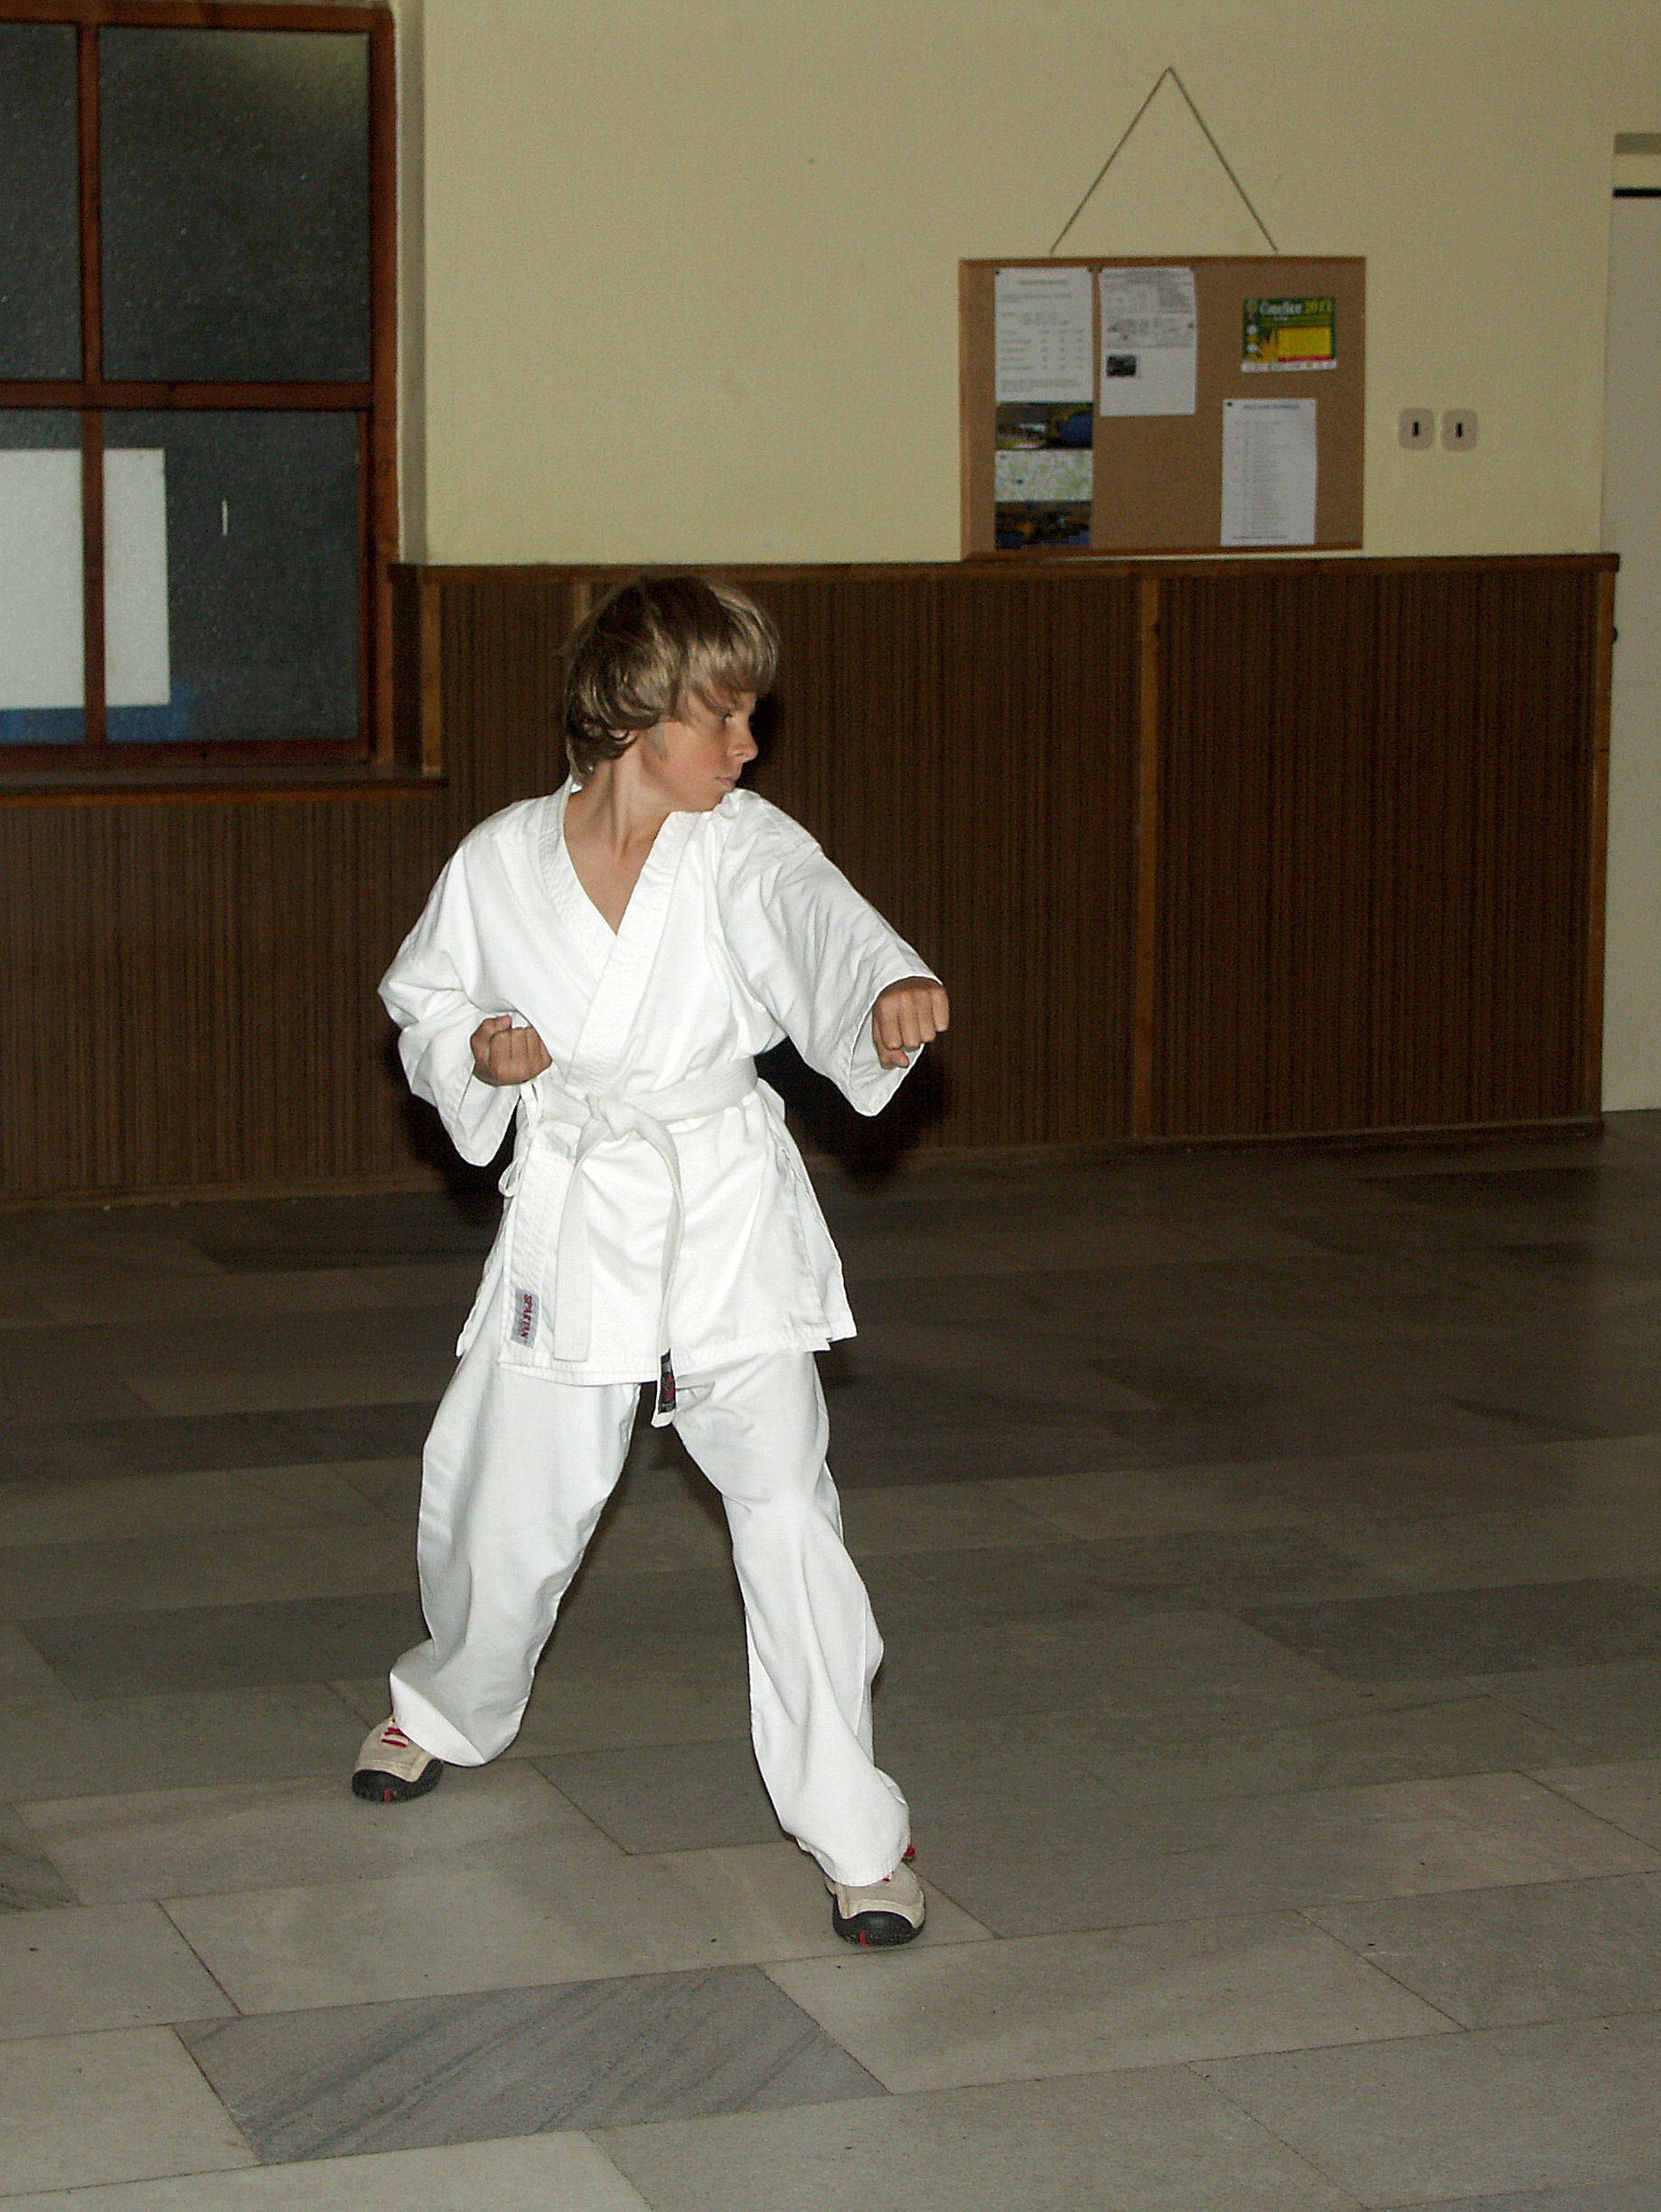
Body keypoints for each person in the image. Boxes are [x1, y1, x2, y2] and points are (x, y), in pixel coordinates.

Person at [352, 572, 949, 1947]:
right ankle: (444, 1705)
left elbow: (822, 922)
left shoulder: (742, 847)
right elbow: (425, 998)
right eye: (721, 716)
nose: (747, 744)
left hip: (724, 1206)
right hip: (577, 1204)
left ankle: (858, 1834)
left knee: (787, 1510)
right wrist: (478, 1050)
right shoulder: (499, 861)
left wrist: (882, 990)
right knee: (507, 1503)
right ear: (634, 716)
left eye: (750, 715)